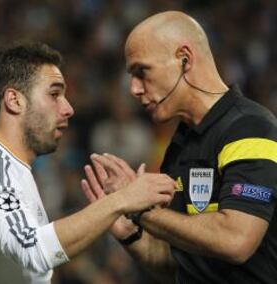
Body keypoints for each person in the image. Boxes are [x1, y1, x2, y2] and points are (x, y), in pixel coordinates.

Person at [0, 42, 176, 283]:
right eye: (54, 94)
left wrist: (112, 216)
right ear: (14, 100)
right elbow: (33, 249)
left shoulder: (9, 169)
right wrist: (121, 201)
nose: (69, 108)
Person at [82, 11, 277, 283]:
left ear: (184, 59)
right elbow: (177, 265)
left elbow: (236, 240)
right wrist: (130, 232)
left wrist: (140, 210)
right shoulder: (180, 145)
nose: (134, 89)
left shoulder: (250, 128)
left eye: (142, 71)